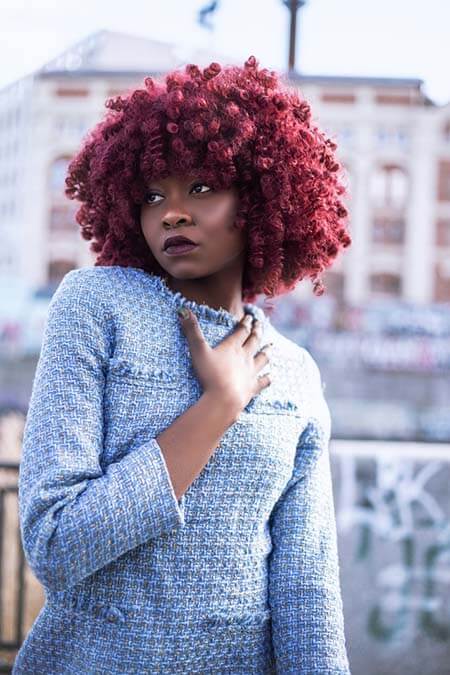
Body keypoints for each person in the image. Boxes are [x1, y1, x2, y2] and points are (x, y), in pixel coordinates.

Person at [14, 55, 352, 674]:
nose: (171, 212)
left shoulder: (297, 373)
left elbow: (307, 592)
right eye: (151, 194)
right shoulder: (95, 305)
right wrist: (217, 409)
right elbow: (55, 545)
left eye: (201, 187)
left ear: (260, 197)